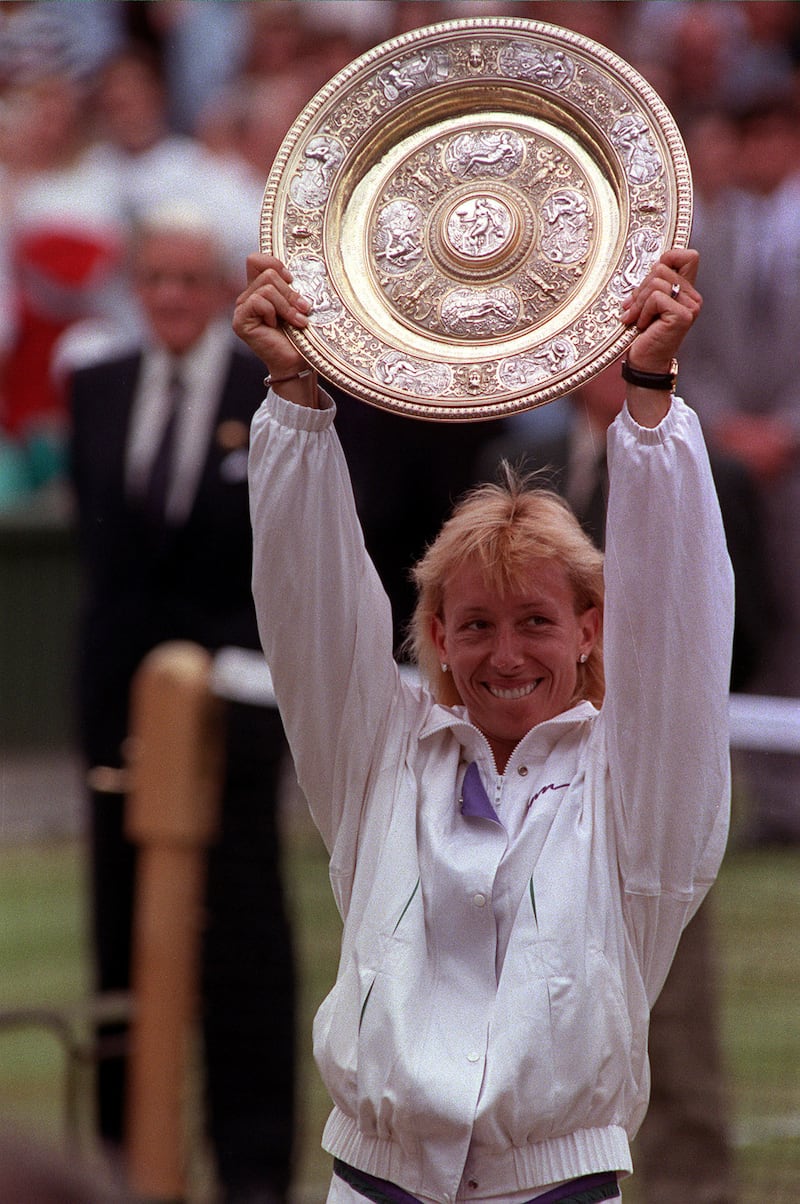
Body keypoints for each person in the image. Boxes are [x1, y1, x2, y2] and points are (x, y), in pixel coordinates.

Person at [233, 242, 733, 1204]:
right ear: (434, 635)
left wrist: (651, 391)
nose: (506, 656)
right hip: (369, 1183)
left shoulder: (636, 790)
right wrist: (294, 389)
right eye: (476, 625)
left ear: (591, 629)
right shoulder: (380, 757)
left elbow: (680, 622)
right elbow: (307, 605)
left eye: (537, 621)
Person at [68, 206, 296, 1204]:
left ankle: (251, 1170)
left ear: (216, 290)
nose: (169, 296)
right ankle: (126, 1168)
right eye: (153, 278)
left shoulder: (272, 388)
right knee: (118, 939)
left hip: (234, 718)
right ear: (135, 285)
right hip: (116, 718)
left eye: (187, 280)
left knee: (244, 944)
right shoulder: (94, 387)